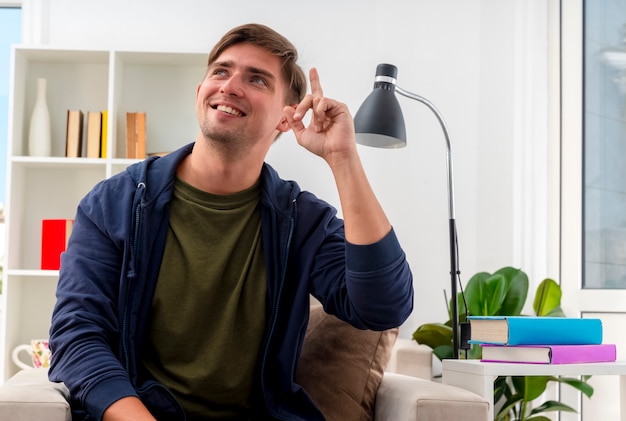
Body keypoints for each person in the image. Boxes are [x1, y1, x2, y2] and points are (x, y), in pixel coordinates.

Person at [48, 23, 414, 421]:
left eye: (256, 79)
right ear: (200, 92)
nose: (231, 86)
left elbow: (383, 306)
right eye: (221, 71)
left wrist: (343, 158)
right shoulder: (113, 205)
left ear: (285, 119)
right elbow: (77, 337)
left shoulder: (302, 220)